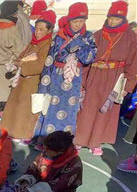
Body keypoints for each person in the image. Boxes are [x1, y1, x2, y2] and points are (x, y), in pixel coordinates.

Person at [75, 1, 137, 156]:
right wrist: (82, 81)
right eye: (110, 17)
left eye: (116, 18)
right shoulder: (97, 35)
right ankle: (79, 140)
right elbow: (86, 60)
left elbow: (133, 64)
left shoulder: (131, 38)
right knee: (86, 108)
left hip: (115, 78)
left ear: (123, 19)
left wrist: (127, 86)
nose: (112, 21)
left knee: (106, 112)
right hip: (94, 75)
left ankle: (96, 142)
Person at [33, 3, 96, 143]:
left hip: (74, 80)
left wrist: (79, 45)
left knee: (68, 112)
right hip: (56, 76)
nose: (78, 24)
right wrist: (44, 84)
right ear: (69, 20)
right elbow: (51, 58)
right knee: (50, 109)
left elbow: (89, 58)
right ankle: (46, 141)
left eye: (81, 21)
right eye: (75, 21)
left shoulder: (88, 36)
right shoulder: (60, 35)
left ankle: (63, 143)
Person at [0, 10, 56, 142]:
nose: (38, 32)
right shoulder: (32, 42)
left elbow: (41, 64)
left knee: (26, 110)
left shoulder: (48, 45)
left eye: (41, 29)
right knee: (15, 107)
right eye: (37, 28)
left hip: (33, 82)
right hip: (21, 80)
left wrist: (22, 65)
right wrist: (16, 62)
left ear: (49, 30)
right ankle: (11, 130)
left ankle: (23, 134)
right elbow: (21, 56)